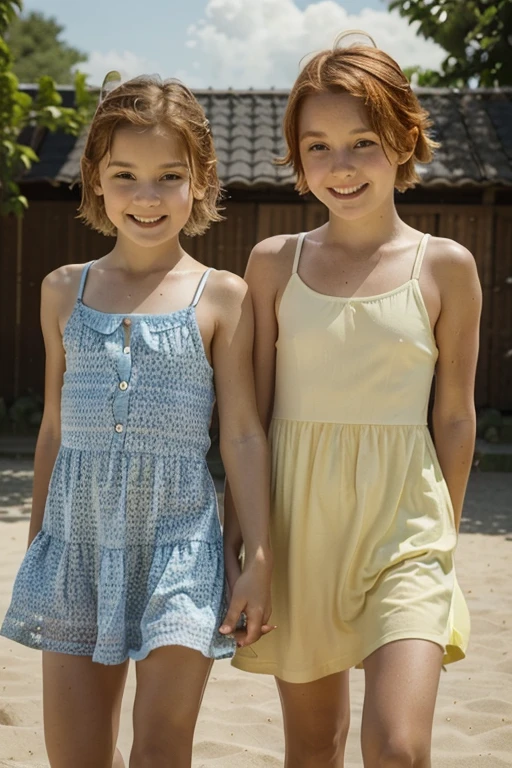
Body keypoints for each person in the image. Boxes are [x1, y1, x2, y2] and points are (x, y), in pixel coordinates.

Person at [1, 74, 273, 768]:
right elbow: (55, 429)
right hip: (76, 547)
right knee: (78, 760)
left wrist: (259, 559)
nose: (146, 197)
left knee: (158, 752)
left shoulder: (224, 297)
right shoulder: (63, 289)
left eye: (169, 176)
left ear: (201, 180)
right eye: (126, 175)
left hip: (181, 545)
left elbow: (242, 432)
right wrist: (38, 545)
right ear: (96, 178)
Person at [225, 34, 481, 768]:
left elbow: (455, 416)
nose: (341, 166)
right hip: (298, 530)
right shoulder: (274, 263)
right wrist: (247, 543)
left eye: (363, 142)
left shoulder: (448, 268)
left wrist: (444, 538)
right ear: (299, 160)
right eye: (319, 147)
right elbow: (253, 420)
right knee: (313, 747)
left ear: (404, 139)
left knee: (398, 746)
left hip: (407, 530)